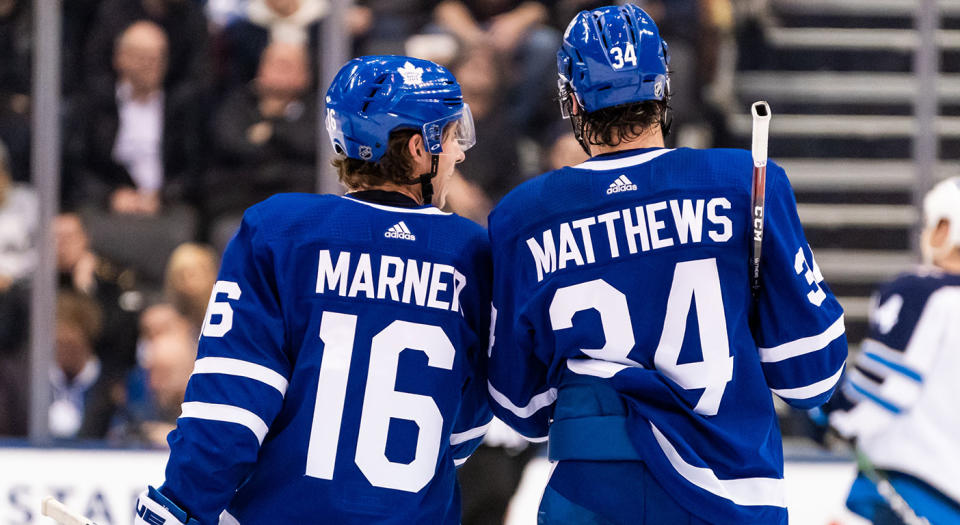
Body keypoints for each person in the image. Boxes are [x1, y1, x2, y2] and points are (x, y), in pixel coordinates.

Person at [485, 5, 847, 525]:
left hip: (591, 493)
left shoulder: (524, 214)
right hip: (731, 494)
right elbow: (810, 377)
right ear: (664, 86)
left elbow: (521, 409)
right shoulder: (742, 179)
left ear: (570, 99)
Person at [135, 55, 493, 525]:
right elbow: (464, 427)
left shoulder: (280, 230)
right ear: (416, 149)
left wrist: (178, 507)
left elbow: (231, 406)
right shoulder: (472, 254)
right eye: (448, 137)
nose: (459, 153)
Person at [827, 178, 960, 524]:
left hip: (911, 489)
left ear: (946, 228)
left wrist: (829, 414)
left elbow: (882, 391)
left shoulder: (921, 292)